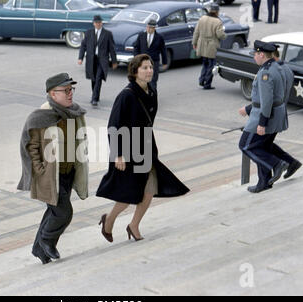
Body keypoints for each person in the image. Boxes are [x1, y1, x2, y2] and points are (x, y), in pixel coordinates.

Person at [96, 54, 189, 242]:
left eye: (151, 67)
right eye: (144, 68)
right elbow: (113, 126)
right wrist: (118, 155)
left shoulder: (152, 91)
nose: (149, 71)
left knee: (149, 189)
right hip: (128, 149)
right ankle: (109, 220)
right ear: (135, 71)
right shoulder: (126, 95)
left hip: (146, 147)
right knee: (128, 193)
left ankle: (134, 225)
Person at [17, 73, 89, 264]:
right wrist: (39, 170)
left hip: (67, 172)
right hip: (49, 176)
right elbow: (29, 146)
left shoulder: (73, 112)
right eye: (65, 90)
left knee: (53, 211)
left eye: (71, 89)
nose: (70, 93)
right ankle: (47, 241)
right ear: (52, 94)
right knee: (64, 212)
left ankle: (39, 250)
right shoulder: (41, 116)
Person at [238, 40, 289, 193]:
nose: (254, 57)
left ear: (261, 54)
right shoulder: (276, 67)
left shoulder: (265, 73)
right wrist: (249, 108)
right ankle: (264, 182)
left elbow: (266, 101)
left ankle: (277, 164)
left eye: (255, 54)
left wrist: (262, 123)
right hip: (276, 113)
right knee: (262, 147)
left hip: (264, 115)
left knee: (245, 145)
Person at [271, 46, 303, 178]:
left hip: (272, 114)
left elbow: (271, 96)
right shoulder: (285, 69)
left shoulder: (276, 70)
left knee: (258, 145)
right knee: (264, 144)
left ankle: (281, 165)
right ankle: (291, 163)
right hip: (278, 112)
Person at [78, 15, 118, 106]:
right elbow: (83, 46)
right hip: (91, 59)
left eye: (99, 22)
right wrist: (80, 58)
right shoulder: (88, 33)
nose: (98, 24)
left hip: (102, 60)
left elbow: (112, 48)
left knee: (99, 78)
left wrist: (114, 61)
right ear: (93, 24)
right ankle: (96, 95)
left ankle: (94, 99)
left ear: (102, 23)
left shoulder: (107, 34)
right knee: (93, 79)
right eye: (96, 23)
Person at [192, 3, 227, 90]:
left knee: (205, 64)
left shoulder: (202, 18)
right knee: (211, 65)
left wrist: (194, 43)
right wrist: (225, 35)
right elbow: (220, 35)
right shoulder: (217, 21)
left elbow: (196, 32)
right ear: (217, 11)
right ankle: (207, 84)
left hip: (202, 44)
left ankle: (201, 80)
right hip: (212, 45)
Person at [133, 19, 168, 91]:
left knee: (153, 80)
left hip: (154, 62)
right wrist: (136, 58)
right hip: (142, 62)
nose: (148, 29)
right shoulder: (141, 35)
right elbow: (136, 47)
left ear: (154, 28)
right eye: (148, 27)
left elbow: (163, 50)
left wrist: (165, 62)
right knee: (142, 79)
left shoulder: (159, 37)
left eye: (150, 28)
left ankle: (153, 96)